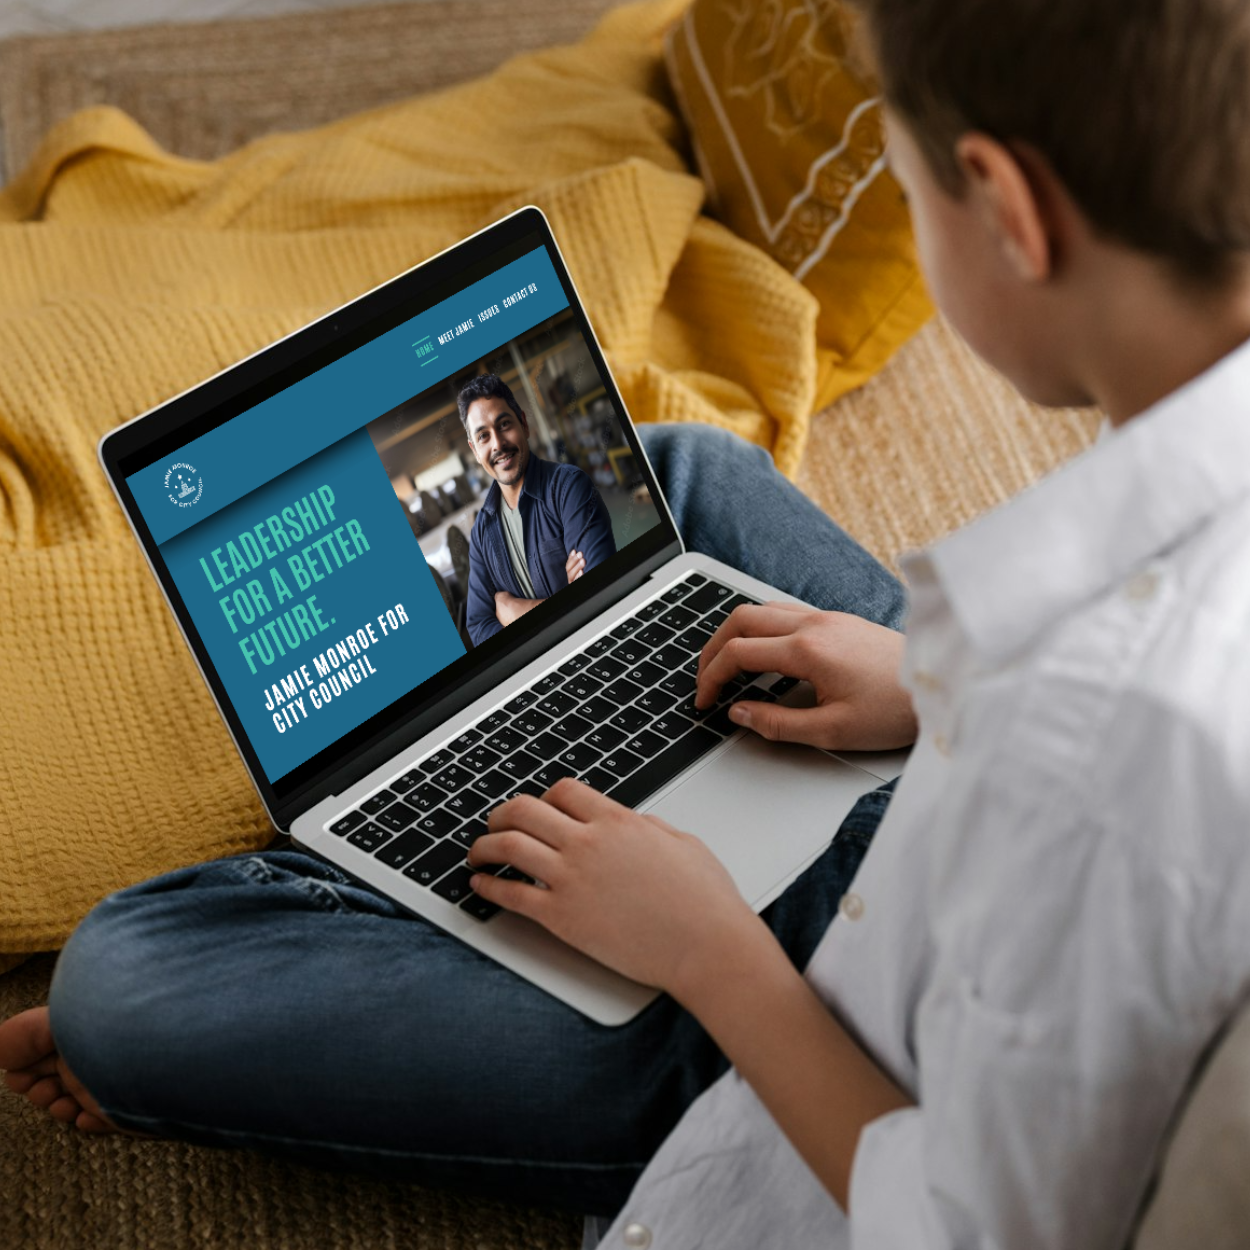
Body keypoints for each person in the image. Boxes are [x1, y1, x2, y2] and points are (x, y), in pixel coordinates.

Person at [4, 0, 1250, 1245]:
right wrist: (935, 687)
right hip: (940, 802)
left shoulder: (1110, 745)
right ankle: (444, 834)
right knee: (679, 478)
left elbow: (970, 1226)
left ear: (1006, 209)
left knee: (125, 979)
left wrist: (707, 951)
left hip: (803, 1016)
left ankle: (424, 878)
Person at [457, 373, 616, 645]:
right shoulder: (482, 535)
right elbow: (479, 627)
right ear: (474, 450)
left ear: (524, 424)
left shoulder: (569, 489)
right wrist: (564, 599)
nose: (497, 444)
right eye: (483, 436)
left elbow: (600, 593)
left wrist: (516, 611)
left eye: (504, 424)